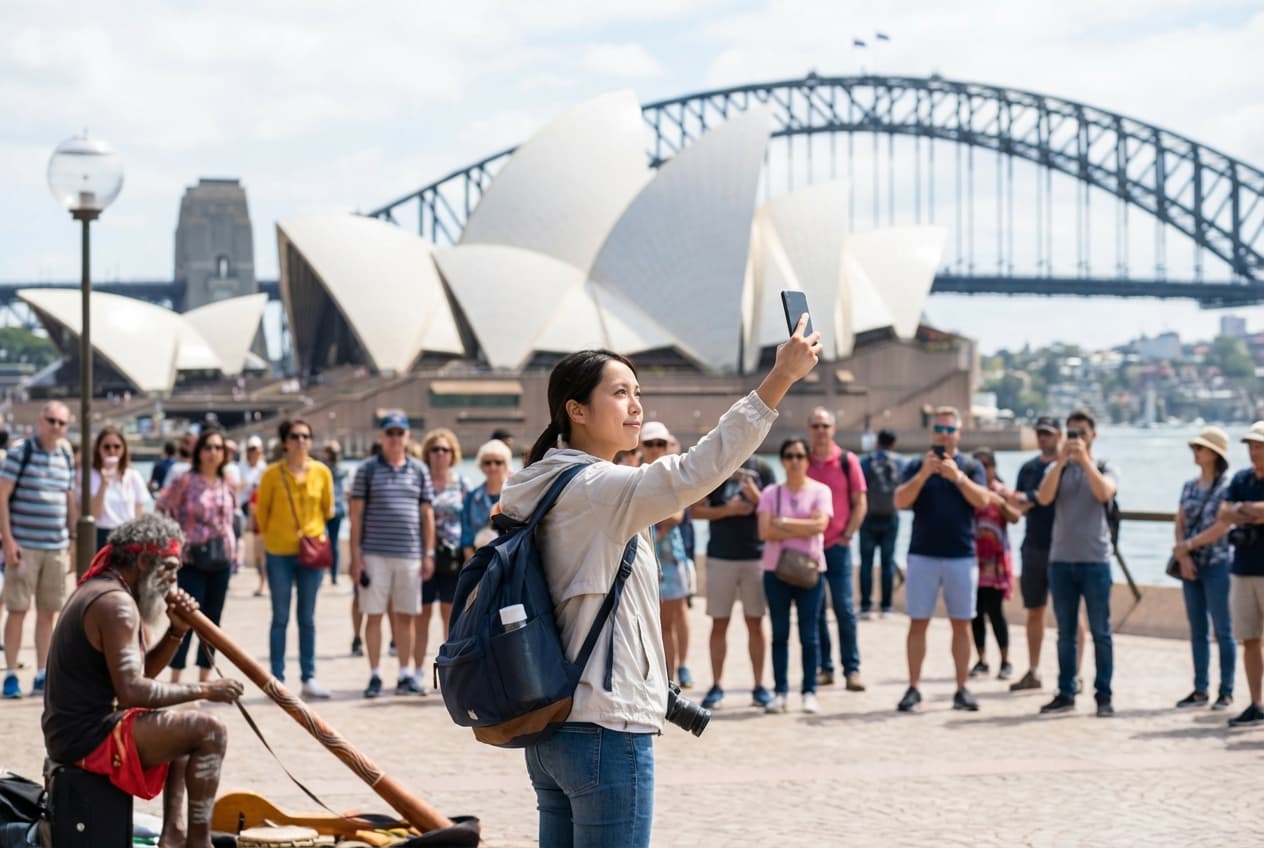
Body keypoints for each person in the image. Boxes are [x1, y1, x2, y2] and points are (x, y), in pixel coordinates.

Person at [501, 321, 819, 847]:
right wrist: (779, 380)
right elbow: (699, 469)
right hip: (607, 726)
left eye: (638, 393)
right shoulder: (598, 487)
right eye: (619, 393)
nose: (635, 406)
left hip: (550, 724)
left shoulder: (537, 481)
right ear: (575, 410)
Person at [41, 513, 244, 848]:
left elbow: (136, 677)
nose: (175, 579)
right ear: (144, 561)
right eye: (169, 567)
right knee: (210, 730)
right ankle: (198, 841)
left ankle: (174, 834)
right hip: (87, 736)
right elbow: (133, 691)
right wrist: (208, 689)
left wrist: (177, 632)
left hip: (79, 730)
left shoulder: (107, 592)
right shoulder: (115, 604)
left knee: (185, 723)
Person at [893, 406, 992, 713]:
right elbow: (900, 500)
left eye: (950, 431)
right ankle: (913, 687)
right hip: (922, 554)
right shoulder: (915, 465)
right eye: (940, 430)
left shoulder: (971, 466)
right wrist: (925, 473)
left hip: (961, 556)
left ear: (959, 434)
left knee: (961, 625)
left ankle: (962, 688)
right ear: (933, 433)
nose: (944, 436)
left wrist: (958, 477)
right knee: (917, 623)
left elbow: (984, 501)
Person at [1036, 409, 1119, 717]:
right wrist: (1060, 462)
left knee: (1101, 632)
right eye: (1071, 433)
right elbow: (1043, 498)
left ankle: (1104, 695)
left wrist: (1084, 461)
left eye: (1081, 433)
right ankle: (1066, 691)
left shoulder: (1104, 466)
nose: (1075, 440)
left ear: (1093, 435)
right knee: (1065, 633)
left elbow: (1104, 492)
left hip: (1095, 561)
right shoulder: (1058, 469)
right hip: (1061, 561)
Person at [348, 412, 435, 698]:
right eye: (390, 433)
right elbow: (356, 515)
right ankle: (374, 674)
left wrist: (428, 553)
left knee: (407, 615)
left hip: (410, 554)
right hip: (374, 554)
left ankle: (405, 674)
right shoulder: (367, 470)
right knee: (373, 614)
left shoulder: (419, 470)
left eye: (400, 433)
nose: (396, 438)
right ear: (382, 437)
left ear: (408, 436)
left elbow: (427, 515)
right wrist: (355, 556)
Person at [0, 402, 76, 700]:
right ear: (40, 421)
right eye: (51, 421)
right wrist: (8, 541)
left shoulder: (66, 454)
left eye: (62, 422)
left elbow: (69, 496)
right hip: (25, 545)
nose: (56, 427)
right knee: (17, 609)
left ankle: (43, 673)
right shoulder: (21, 452)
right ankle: (12, 673)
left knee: (49, 612)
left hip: (55, 545)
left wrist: (71, 536)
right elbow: (2, 497)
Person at [255, 418, 335, 699]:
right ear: (285, 442)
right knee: (280, 616)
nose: (301, 441)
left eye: (306, 435)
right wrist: (278, 536)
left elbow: (328, 510)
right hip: (278, 552)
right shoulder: (271, 474)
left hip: (311, 553)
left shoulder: (322, 472)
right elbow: (261, 515)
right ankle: (276, 678)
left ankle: (308, 677)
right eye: (295, 436)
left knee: (307, 618)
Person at [691, 453, 777, 710]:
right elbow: (694, 511)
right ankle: (717, 686)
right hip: (720, 556)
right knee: (719, 623)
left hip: (755, 556)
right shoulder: (716, 465)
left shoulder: (762, 469)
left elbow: (775, 510)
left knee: (756, 623)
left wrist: (756, 498)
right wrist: (728, 510)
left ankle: (760, 686)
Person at [1008, 416, 1083, 692]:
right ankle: (1034, 669)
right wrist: (1030, 498)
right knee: (1034, 610)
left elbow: (1040, 498)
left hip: (1065, 547)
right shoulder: (1028, 468)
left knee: (1073, 614)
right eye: (1040, 433)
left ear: (1060, 435)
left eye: (1048, 434)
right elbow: (1017, 503)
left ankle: (1075, 673)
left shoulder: (1072, 466)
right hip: (1035, 546)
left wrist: (1031, 497)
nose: (1043, 438)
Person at [157, 427, 237, 685]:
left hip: (220, 560)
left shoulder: (227, 482)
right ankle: (176, 679)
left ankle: (205, 680)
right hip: (191, 560)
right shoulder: (185, 480)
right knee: (187, 617)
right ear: (199, 452)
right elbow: (162, 506)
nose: (213, 453)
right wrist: (173, 541)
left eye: (218, 448)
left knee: (213, 622)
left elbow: (230, 522)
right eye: (208, 447)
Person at [758, 437, 832, 714]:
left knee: (809, 635)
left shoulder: (820, 491)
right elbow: (765, 532)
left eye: (800, 456)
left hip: (811, 572)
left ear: (807, 459)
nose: (794, 461)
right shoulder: (770, 493)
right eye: (789, 456)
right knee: (780, 634)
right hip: (775, 571)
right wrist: (804, 525)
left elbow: (820, 526)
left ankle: (809, 691)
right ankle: (780, 691)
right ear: (783, 460)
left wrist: (785, 523)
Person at [1171, 426, 1234, 710]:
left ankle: (1227, 690)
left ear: (1215, 454)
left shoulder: (1228, 487)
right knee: (1197, 628)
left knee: (1223, 629)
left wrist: (1190, 545)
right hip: (1191, 565)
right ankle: (1200, 689)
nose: (1196, 453)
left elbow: (1223, 526)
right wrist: (1183, 555)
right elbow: (1180, 519)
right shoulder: (1189, 485)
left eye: (1201, 448)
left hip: (1217, 563)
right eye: (1195, 448)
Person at [806, 406, 867, 691]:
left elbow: (860, 502)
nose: (821, 431)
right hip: (810, 548)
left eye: (825, 426)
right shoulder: (800, 460)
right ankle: (825, 668)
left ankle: (852, 669)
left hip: (838, 548)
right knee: (816, 610)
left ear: (833, 430)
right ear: (810, 430)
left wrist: (848, 534)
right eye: (816, 426)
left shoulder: (847, 461)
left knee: (845, 609)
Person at [640, 422, 695, 688]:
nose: (654, 449)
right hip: (645, 557)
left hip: (670, 558)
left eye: (659, 444)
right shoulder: (633, 473)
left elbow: (677, 514)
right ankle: (663, 678)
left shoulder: (673, 473)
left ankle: (671, 677)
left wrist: (650, 513)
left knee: (671, 620)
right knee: (654, 624)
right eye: (649, 444)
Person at [1217, 421, 1264, 727]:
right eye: (1250, 446)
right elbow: (1222, 513)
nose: (1253, 452)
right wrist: (1253, 511)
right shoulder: (1241, 478)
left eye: (1258, 446)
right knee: (1249, 639)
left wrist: (1243, 510)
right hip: (1242, 569)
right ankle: (1256, 704)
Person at [415, 428, 467, 675]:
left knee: (450, 617)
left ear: (452, 454)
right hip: (423, 555)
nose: (439, 454)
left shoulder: (461, 483)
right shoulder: (419, 480)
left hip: (452, 557)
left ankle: (449, 670)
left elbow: (470, 517)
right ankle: (417, 670)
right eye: (435, 450)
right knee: (421, 616)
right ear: (427, 453)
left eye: (444, 450)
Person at [969, 448, 1021, 680]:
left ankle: (1005, 660)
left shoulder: (1002, 491)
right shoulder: (968, 491)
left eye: (984, 466)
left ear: (992, 468)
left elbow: (1015, 516)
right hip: (973, 560)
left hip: (996, 561)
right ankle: (981, 660)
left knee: (996, 611)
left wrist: (1000, 502)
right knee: (975, 613)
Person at [858, 428, 903, 618]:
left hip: (868, 516)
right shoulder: (900, 462)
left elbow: (859, 488)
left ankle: (866, 607)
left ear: (877, 442)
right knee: (887, 563)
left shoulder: (866, 461)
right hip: (891, 516)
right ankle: (886, 607)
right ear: (893, 443)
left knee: (866, 563)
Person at [90, 425, 152, 551]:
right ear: (98, 449)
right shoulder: (91, 476)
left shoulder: (133, 476)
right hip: (101, 534)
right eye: (106, 447)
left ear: (124, 449)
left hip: (127, 534)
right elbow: (93, 514)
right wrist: (103, 485)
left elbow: (138, 513)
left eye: (117, 446)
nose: (112, 451)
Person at [461, 439, 511, 560]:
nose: (492, 466)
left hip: (509, 557)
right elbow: (466, 530)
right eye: (487, 462)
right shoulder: (471, 496)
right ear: (481, 466)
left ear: (506, 465)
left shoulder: (514, 495)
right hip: (479, 557)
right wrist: (470, 559)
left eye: (498, 462)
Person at [237, 435, 268, 597]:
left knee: (261, 551)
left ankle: (263, 583)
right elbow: (237, 486)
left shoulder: (265, 468)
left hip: (260, 513)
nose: (255, 453)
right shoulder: (240, 467)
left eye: (258, 450)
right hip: (244, 511)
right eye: (252, 450)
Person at [320, 440, 348, 585]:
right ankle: (334, 575)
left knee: (323, 541)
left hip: (328, 509)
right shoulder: (342, 470)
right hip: (338, 509)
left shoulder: (324, 470)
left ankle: (322, 572)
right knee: (334, 542)